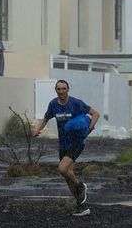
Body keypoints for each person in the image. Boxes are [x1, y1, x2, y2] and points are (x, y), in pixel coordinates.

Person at [32, 79, 100, 216]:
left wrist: (89, 128)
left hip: (76, 143)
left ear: (68, 89)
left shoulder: (76, 103)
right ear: (56, 90)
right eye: (59, 89)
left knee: (62, 168)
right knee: (67, 177)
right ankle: (82, 206)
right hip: (63, 144)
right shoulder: (53, 104)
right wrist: (36, 129)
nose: (61, 91)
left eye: (64, 89)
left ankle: (81, 185)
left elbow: (95, 114)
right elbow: (45, 119)